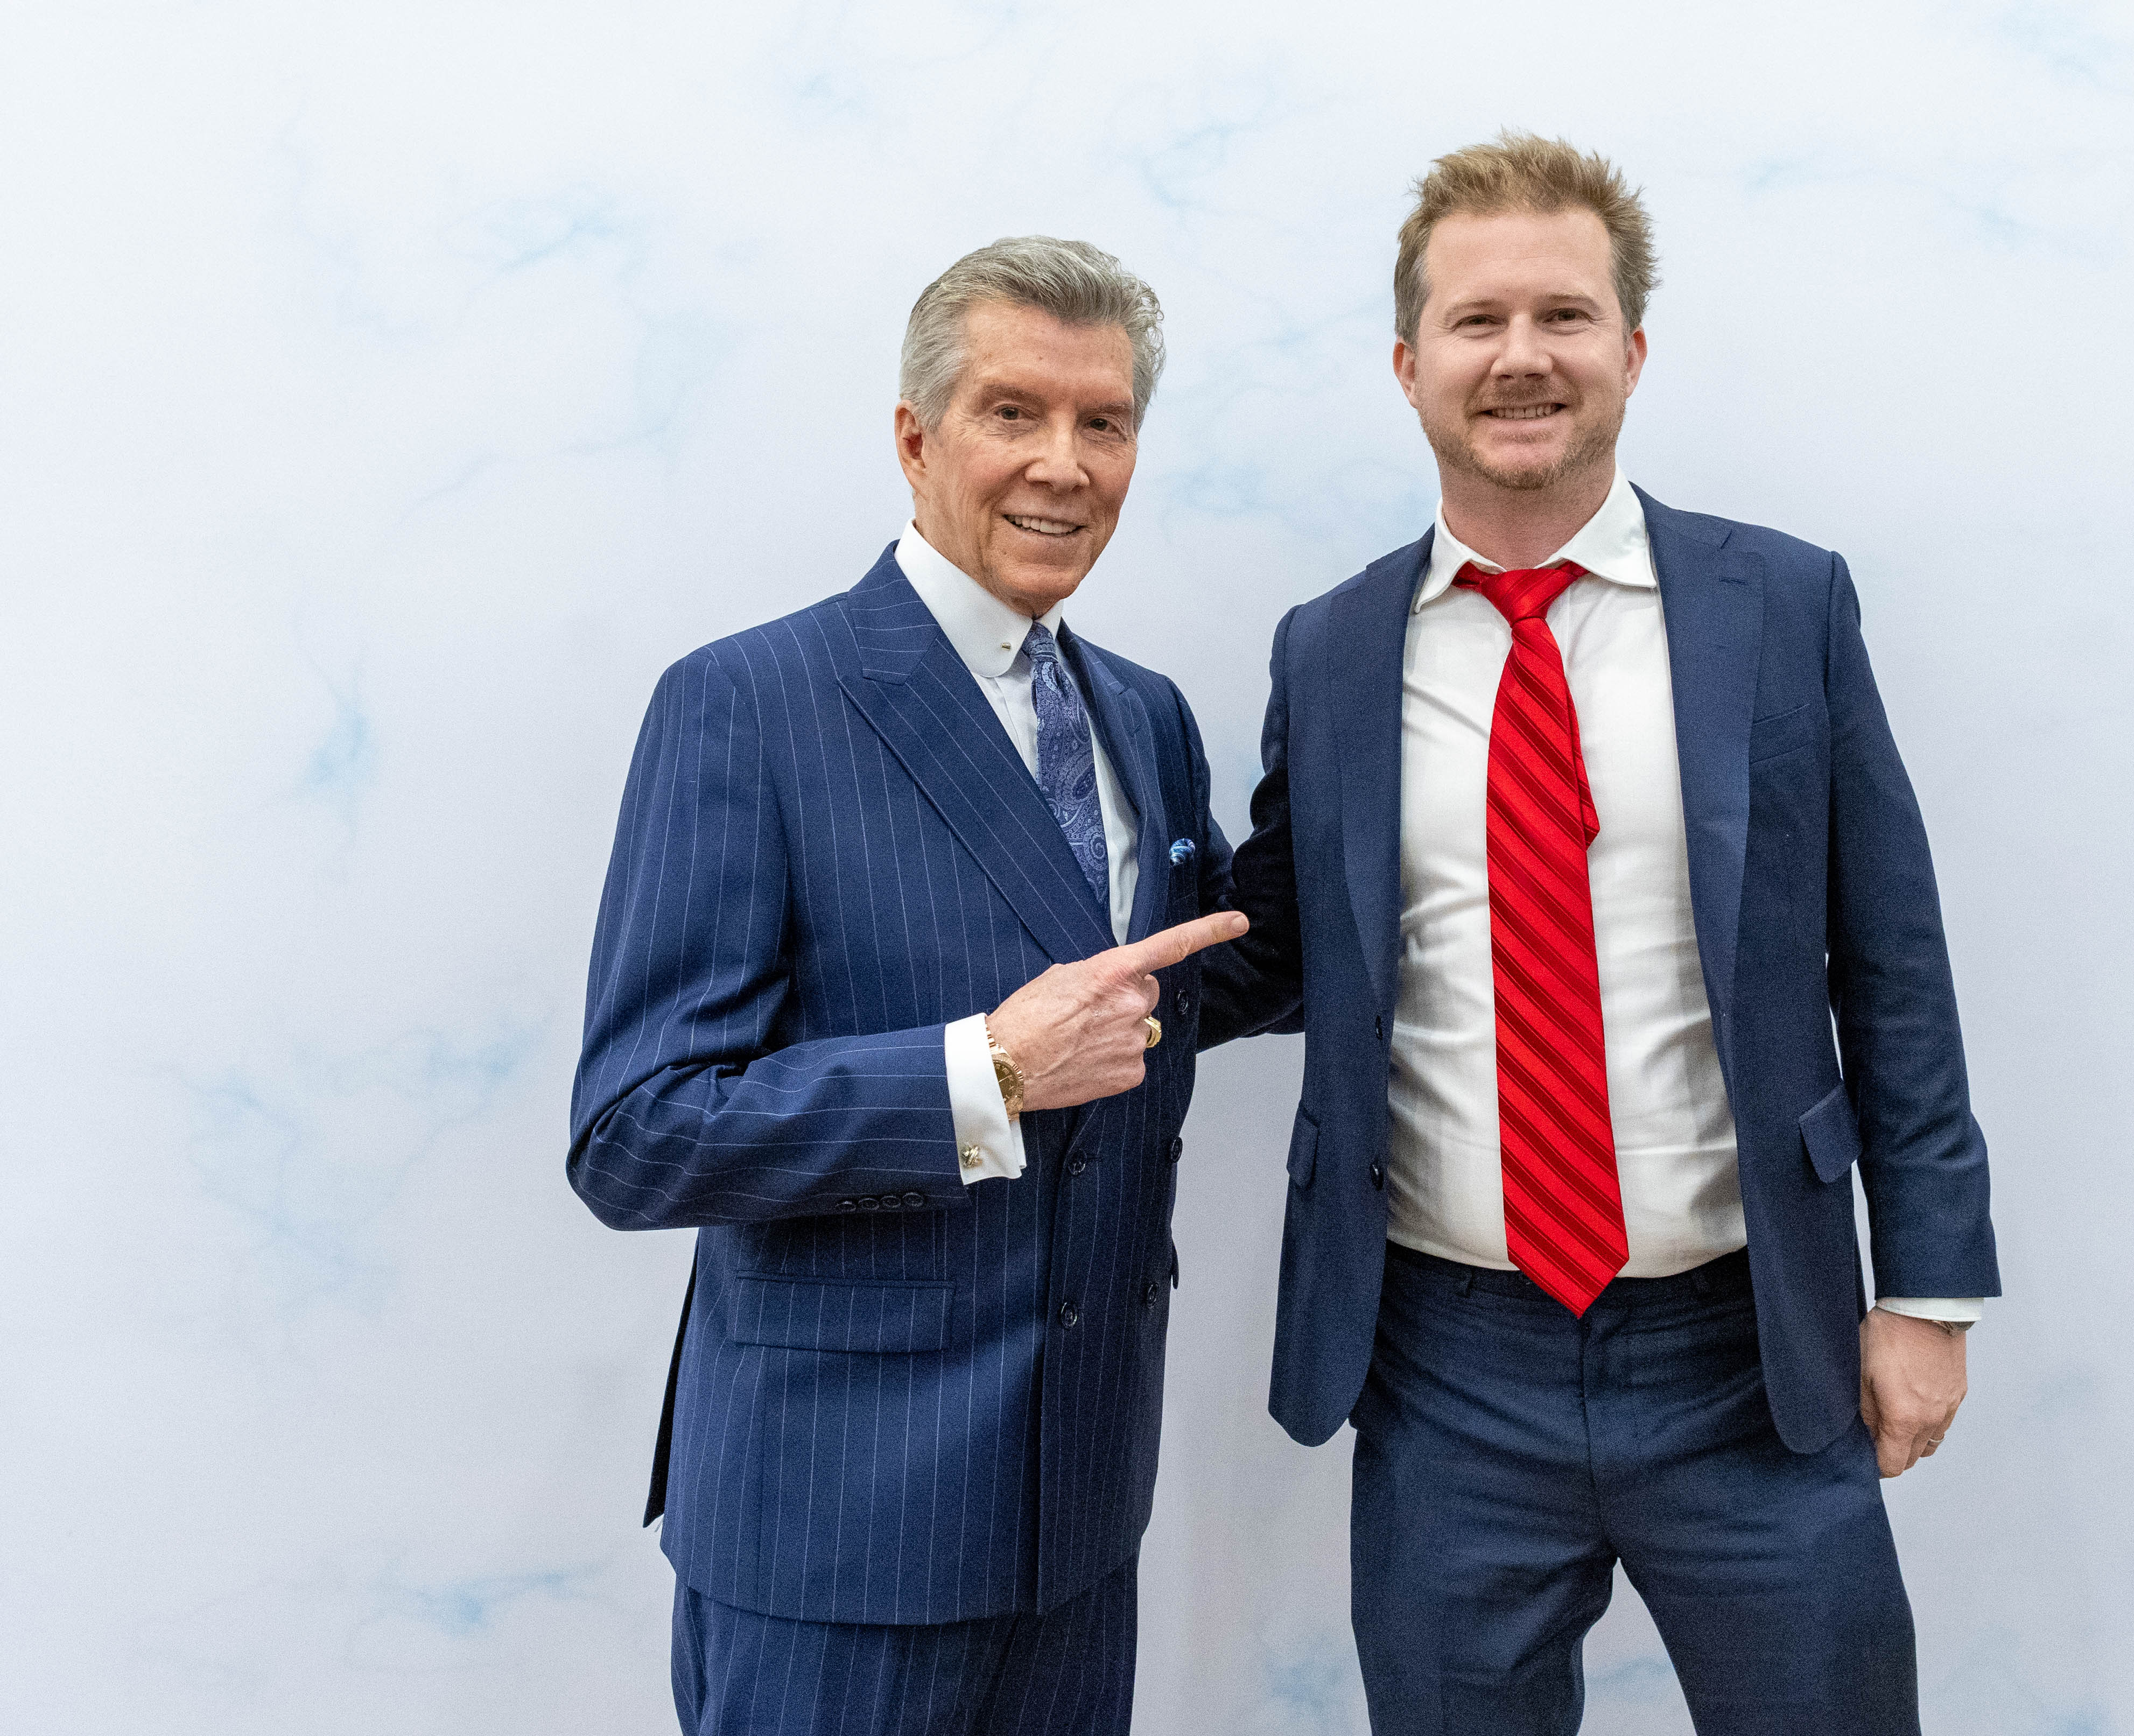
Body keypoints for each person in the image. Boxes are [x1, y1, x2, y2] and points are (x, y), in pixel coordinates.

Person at [1201, 134, 2001, 1734]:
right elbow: (1280, 940)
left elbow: (1892, 958)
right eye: (1477, 321)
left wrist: (1927, 1287)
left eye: (1564, 315)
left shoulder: (1784, 606)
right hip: (1444, 1364)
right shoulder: (1332, 648)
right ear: (1410, 365)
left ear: (1631, 349)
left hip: (1751, 1346)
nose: (1522, 356)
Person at [570, 235, 1245, 1736]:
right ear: (915, 437)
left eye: (1104, 422)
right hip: (835, 1535)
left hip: (1081, 1525)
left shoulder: (1148, 716)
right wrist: (982, 1073)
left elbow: (1190, 984)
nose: (1064, 464)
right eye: (1014, 412)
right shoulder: (746, 702)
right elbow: (635, 1134)